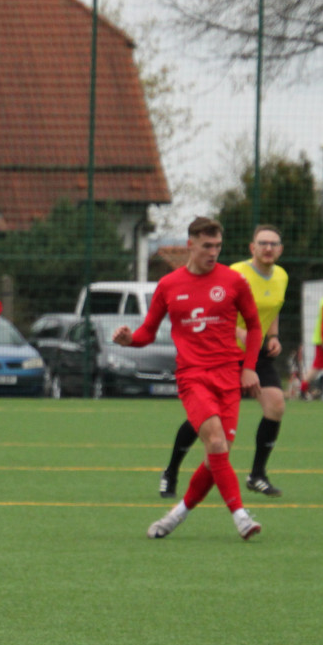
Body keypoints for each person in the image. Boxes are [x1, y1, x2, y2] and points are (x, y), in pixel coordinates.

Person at [112, 216, 263, 541]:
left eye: (218, 246)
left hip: (229, 376)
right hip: (193, 377)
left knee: (216, 457)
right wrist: (129, 339)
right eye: (207, 246)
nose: (213, 252)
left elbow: (254, 326)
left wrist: (249, 367)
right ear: (189, 245)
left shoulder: (234, 281)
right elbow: (147, 333)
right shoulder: (168, 285)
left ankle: (176, 515)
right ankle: (240, 516)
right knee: (217, 443)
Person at [158, 224, 289, 499]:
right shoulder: (236, 274)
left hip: (254, 355)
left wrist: (273, 335)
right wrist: (236, 331)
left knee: (276, 405)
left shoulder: (281, 276)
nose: (268, 248)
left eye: (273, 244)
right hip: (222, 354)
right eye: (263, 243)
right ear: (252, 248)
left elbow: (274, 307)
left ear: (280, 249)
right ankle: (171, 472)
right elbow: (208, 312)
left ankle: (257, 475)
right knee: (203, 420)